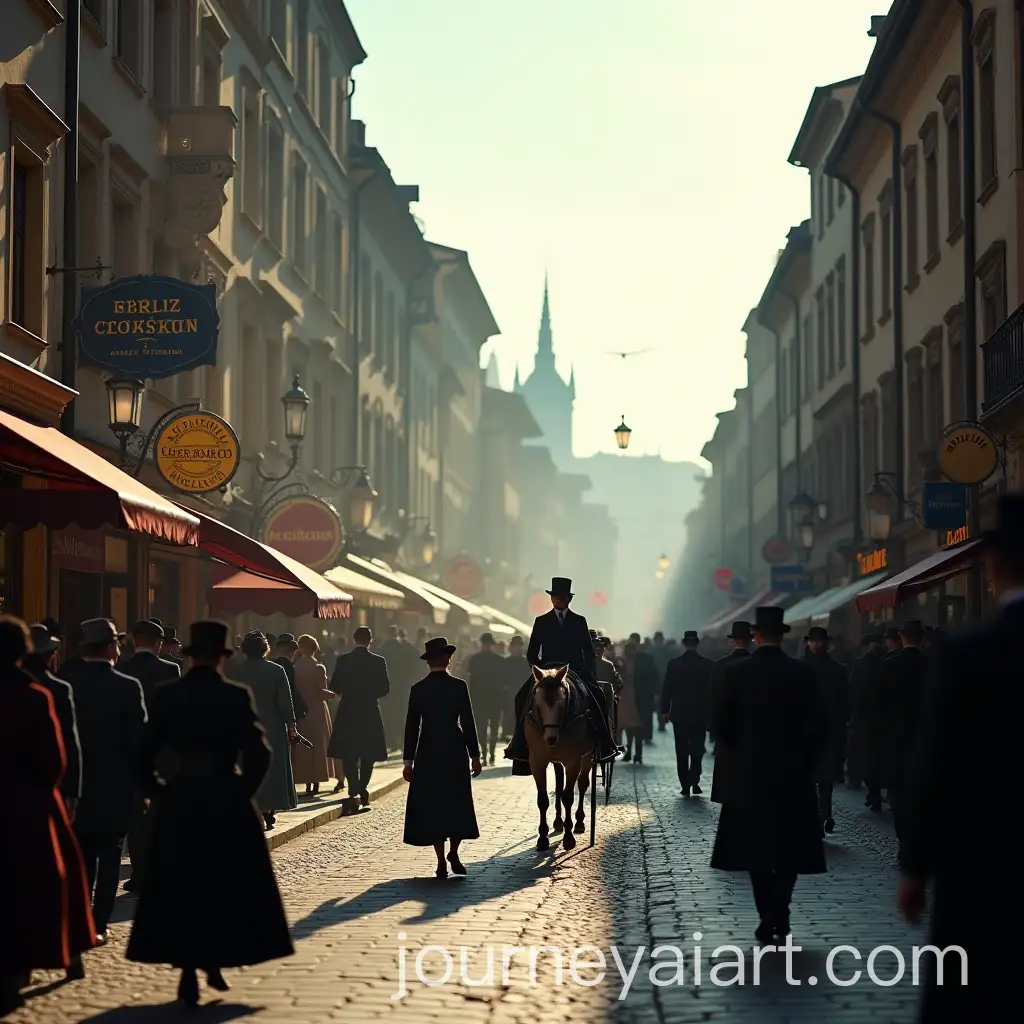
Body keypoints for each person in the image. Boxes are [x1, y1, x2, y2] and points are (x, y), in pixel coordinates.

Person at [126, 621, 293, 1007]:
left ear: (190, 656)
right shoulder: (235, 696)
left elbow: (142, 754)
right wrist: (242, 791)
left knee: (181, 883)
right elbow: (260, 752)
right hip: (224, 797)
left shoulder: (170, 695)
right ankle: (215, 959)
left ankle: (187, 969)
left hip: (181, 796)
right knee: (223, 882)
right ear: (221, 658)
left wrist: (157, 791)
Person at [897, 495, 1020, 1023]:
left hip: (985, 862)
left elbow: (936, 764)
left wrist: (915, 867)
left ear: (993, 565)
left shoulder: (969, 652)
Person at [711, 606, 827, 943]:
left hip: (749, 775)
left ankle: (767, 913)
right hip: (792, 773)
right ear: (783, 634)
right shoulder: (801, 673)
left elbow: (721, 724)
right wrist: (806, 760)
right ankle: (782, 907)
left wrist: (738, 756)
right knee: (790, 848)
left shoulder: (737, 673)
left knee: (754, 850)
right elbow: (820, 724)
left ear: (756, 636)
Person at [0, 617, 96, 1013]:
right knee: (53, 878)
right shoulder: (36, 696)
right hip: (30, 802)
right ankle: (63, 950)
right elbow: (54, 758)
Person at [63, 618, 147, 943]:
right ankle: (99, 922)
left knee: (81, 854)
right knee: (111, 853)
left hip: (77, 787)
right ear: (114, 646)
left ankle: (81, 917)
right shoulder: (127, 686)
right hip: (116, 785)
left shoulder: (67, 683)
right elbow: (138, 741)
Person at [505, 577, 617, 774]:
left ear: (568, 599)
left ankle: (605, 742)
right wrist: (539, 671)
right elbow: (532, 652)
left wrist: (587, 674)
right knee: (520, 697)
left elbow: (588, 652)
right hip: (546, 671)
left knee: (597, 695)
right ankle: (519, 744)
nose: (558, 601)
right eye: (555, 597)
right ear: (551, 599)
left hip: (574, 671)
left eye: (562, 598)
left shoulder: (579, 621)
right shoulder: (541, 622)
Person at [402, 637, 483, 877]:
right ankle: (454, 852)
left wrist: (408, 761)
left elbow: (411, 727)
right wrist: (475, 755)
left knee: (434, 805)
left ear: (428, 662)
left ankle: (440, 861)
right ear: (449, 659)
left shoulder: (418, 689)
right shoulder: (459, 686)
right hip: (454, 749)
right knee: (457, 802)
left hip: (427, 750)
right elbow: (468, 722)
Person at [119, 619, 182, 890]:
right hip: (164, 753)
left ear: (134, 640)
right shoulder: (170, 669)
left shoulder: (122, 669)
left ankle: (139, 871)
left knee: (135, 816)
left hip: (131, 753)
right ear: (159, 644)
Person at [224, 631, 297, 829]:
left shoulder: (236, 671)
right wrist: (292, 726)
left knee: (245, 766)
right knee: (271, 768)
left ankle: (252, 807)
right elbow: (285, 702)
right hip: (272, 724)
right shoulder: (276, 670)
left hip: (242, 724)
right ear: (266, 649)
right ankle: (267, 809)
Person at [875, 618, 927, 865]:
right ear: (922, 638)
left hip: (894, 740)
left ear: (902, 637)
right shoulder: (933, 664)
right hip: (925, 739)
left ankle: (904, 840)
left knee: (897, 792)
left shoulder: (888, 666)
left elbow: (878, 705)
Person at [328, 627, 391, 807]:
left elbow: (335, 686)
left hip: (348, 708)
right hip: (369, 709)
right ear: (370, 640)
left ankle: (353, 787)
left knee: (348, 752)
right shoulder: (378, 661)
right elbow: (385, 688)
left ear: (353, 639)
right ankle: (362, 786)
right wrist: (370, 694)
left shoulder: (343, 660)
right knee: (368, 753)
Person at [24, 622, 82, 817]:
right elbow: (68, 742)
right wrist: (72, 792)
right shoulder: (59, 689)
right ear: (51, 654)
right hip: (45, 783)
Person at [801, 626, 851, 835]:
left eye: (819, 641)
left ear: (826, 643)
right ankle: (818, 816)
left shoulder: (838, 670)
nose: (816, 644)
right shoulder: (798, 668)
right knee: (811, 779)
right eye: (813, 641)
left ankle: (823, 816)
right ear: (808, 642)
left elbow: (844, 702)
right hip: (805, 732)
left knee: (825, 779)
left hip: (828, 732)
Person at [660, 630, 713, 796]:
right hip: (700, 713)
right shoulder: (707, 664)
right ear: (697, 644)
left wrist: (664, 710)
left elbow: (667, 688)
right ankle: (695, 780)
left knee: (681, 750)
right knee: (697, 748)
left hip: (680, 713)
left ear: (684, 643)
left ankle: (685, 783)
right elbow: (712, 691)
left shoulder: (674, 664)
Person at [709, 622, 752, 804]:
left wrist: (713, 726)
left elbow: (713, 698)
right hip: (751, 727)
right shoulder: (756, 664)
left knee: (727, 770)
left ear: (733, 641)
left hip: (727, 725)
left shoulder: (720, 665)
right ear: (750, 641)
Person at [291, 634, 337, 795]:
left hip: (301, 711)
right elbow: (320, 691)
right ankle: (316, 779)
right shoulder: (318, 667)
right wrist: (333, 695)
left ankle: (304, 778)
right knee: (318, 744)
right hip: (316, 709)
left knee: (304, 745)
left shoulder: (295, 667)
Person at [466, 632, 506, 766]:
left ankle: (484, 753)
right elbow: (502, 682)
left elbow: (472, 681)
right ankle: (492, 754)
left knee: (481, 728)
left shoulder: (474, 659)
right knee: (494, 728)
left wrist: (470, 699)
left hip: (479, 699)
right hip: (495, 699)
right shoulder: (500, 660)